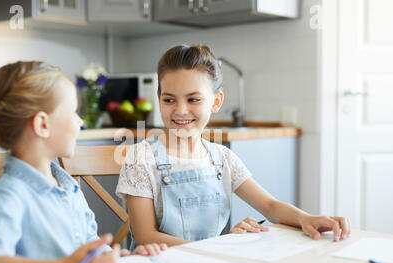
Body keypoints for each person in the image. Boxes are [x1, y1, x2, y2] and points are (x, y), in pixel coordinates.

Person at [116, 44, 351, 249]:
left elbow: (269, 206)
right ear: (159, 100)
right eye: (169, 99)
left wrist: (305, 218)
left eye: (193, 99)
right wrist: (220, 246)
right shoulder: (141, 157)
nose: (180, 110)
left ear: (216, 102)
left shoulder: (222, 158)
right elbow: (147, 237)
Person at [0, 61, 166, 263]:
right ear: (42, 124)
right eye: (74, 112)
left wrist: (120, 261)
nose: (81, 122)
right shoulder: (10, 194)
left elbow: (88, 251)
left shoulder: (68, 187)